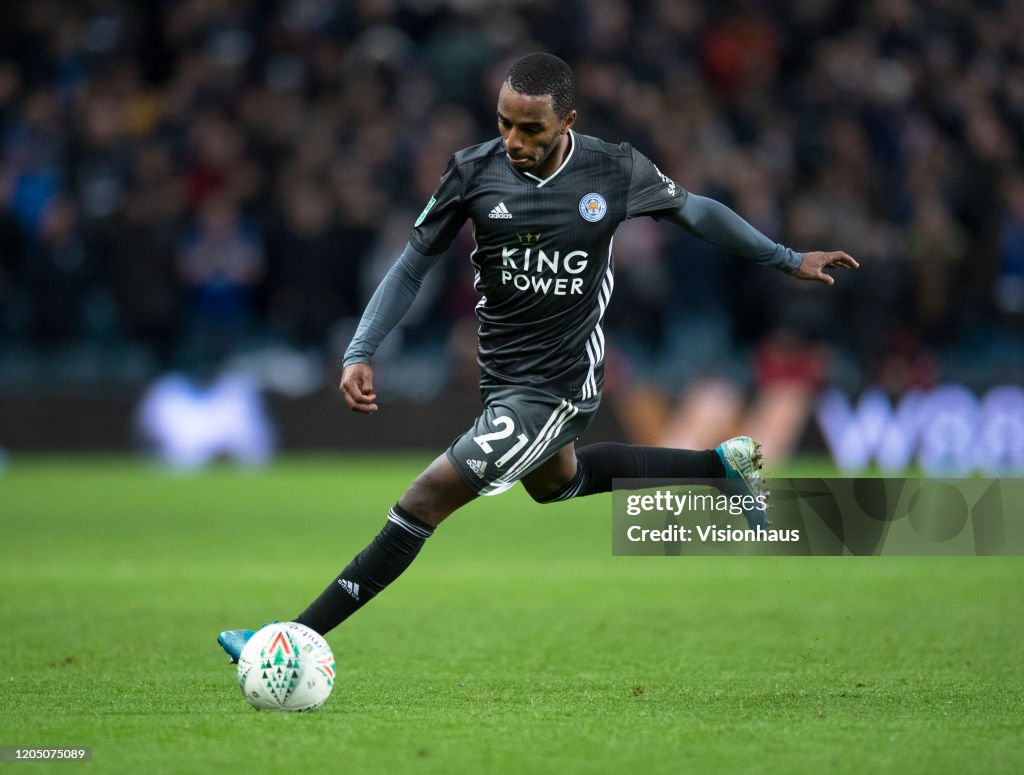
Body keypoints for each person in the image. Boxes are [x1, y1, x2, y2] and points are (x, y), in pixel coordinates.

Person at [218, 53, 857, 660]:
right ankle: (722, 468)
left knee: (425, 497)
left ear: (567, 122)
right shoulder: (472, 171)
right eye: (504, 123)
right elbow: (414, 264)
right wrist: (361, 348)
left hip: (559, 383)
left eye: (532, 128)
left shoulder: (613, 170)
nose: (514, 140)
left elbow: (696, 212)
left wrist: (785, 257)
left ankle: (288, 638)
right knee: (558, 484)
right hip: (502, 378)